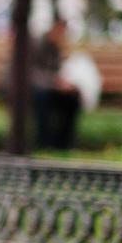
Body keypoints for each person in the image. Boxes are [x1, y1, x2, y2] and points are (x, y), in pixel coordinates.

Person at [26, 18, 80, 149]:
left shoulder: (56, 47)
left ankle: (63, 143)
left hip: (49, 88)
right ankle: (43, 142)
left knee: (72, 98)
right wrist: (54, 82)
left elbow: (58, 71)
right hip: (30, 89)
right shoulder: (36, 44)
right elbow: (29, 73)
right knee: (42, 98)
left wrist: (64, 83)